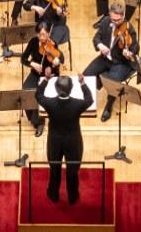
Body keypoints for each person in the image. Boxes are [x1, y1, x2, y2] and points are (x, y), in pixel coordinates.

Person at [38, 74, 95, 203]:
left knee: (54, 169)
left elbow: (38, 95)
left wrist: (45, 79)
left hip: (55, 141)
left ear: (56, 89)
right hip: (73, 141)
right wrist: (83, 84)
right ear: (71, 88)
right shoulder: (77, 104)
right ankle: (72, 196)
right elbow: (89, 100)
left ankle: (53, 195)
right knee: (73, 171)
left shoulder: (50, 103)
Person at [85, 2, 140, 120]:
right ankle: (88, 99)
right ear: (110, 14)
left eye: (119, 20)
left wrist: (129, 53)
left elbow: (135, 47)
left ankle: (108, 107)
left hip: (121, 62)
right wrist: (100, 45)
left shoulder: (129, 28)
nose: (116, 23)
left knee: (112, 84)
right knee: (87, 75)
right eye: (113, 20)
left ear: (124, 15)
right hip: (106, 58)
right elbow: (96, 38)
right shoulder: (105, 21)